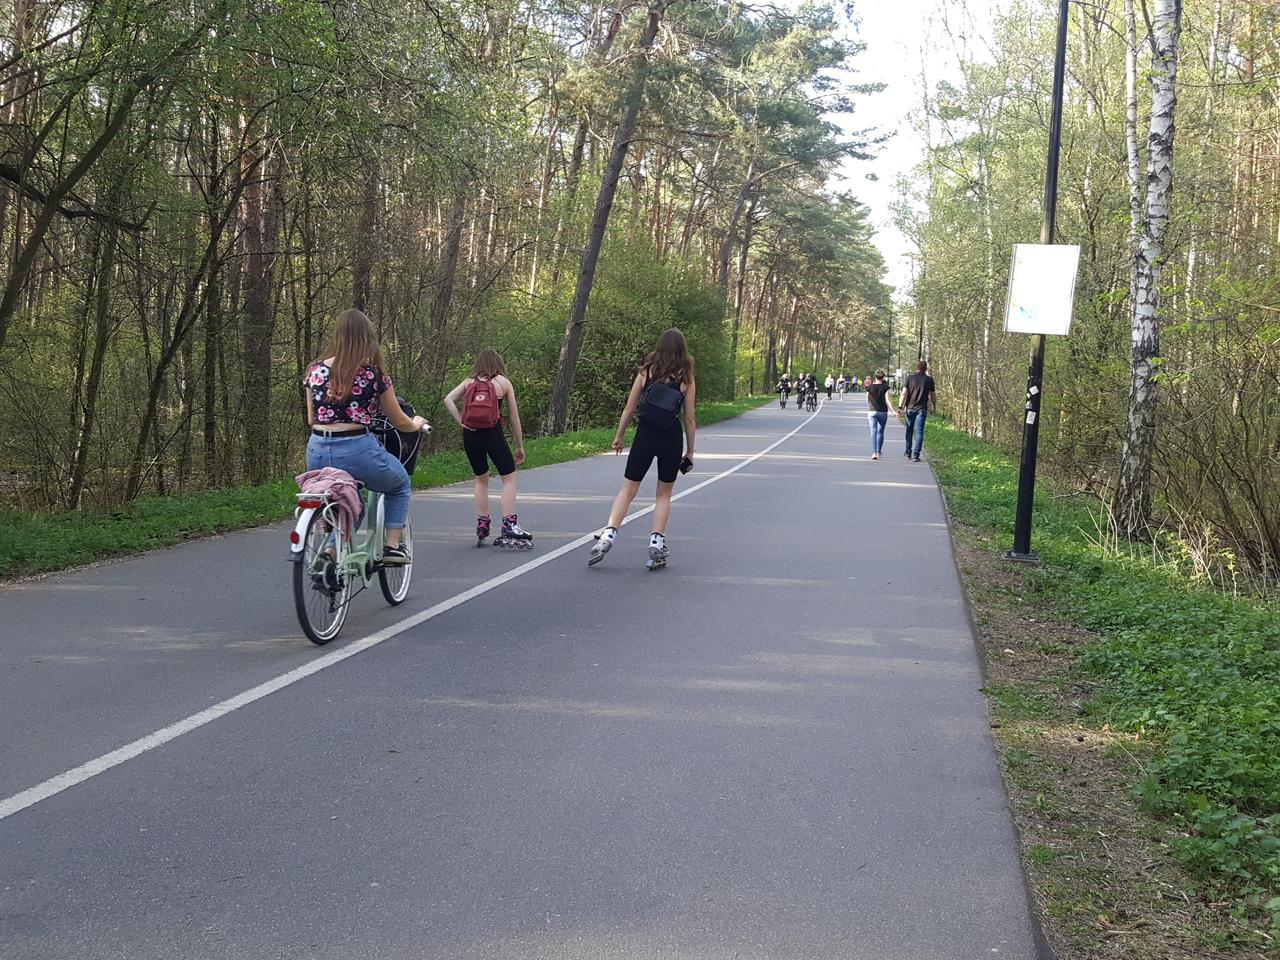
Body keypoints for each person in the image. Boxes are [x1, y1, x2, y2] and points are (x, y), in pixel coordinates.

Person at [304, 308, 427, 564]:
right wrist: (416, 424)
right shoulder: (373, 375)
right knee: (399, 485)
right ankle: (393, 547)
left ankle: (331, 551)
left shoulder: (314, 371)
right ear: (367, 339)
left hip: (316, 450)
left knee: (350, 501)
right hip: (356, 449)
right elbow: (399, 421)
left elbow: (311, 419)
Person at [588, 328, 696, 570]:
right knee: (663, 494)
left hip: (644, 434)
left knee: (628, 488)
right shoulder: (686, 378)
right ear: (682, 350)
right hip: (670, 437)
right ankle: (656, 543)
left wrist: (619, 436)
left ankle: (608, 534)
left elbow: (629, 407)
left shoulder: (646, 371)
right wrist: (690, 451)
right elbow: (689, 418)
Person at [443, 350, 532, 548]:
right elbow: (515, 418)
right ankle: (509, 524)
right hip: (494, 434)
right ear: (498, 363)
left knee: (481, 479)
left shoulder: (469, 382)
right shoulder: (503, 383)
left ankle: (482, 524)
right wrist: (519, 446)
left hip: (471, 435)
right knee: (509, 477)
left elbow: (448, 399)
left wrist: (461, 422)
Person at [899, 359, 937, 462]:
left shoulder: (909, 378)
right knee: (919, 431)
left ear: (917, 368)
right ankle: (916, 455)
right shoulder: (929, 380)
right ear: (926, 369)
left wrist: (900, 407)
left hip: (910, 408)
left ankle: (908, 453)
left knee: (909, 430)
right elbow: (933, 395)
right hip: (922, 409)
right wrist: (934, 406)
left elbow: (904, 393)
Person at [865, 369, 897, 460]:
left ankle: (874, 452)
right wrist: (893, 410)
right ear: (883, 377)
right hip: (883, 412)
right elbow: (887, 400)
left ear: (875, 376)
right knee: (880, 432)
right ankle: (879, 451)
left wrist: (871, 402)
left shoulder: (870, 387)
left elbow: (867, 398)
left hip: (872, 411)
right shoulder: (885, 387)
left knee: (873, 432)